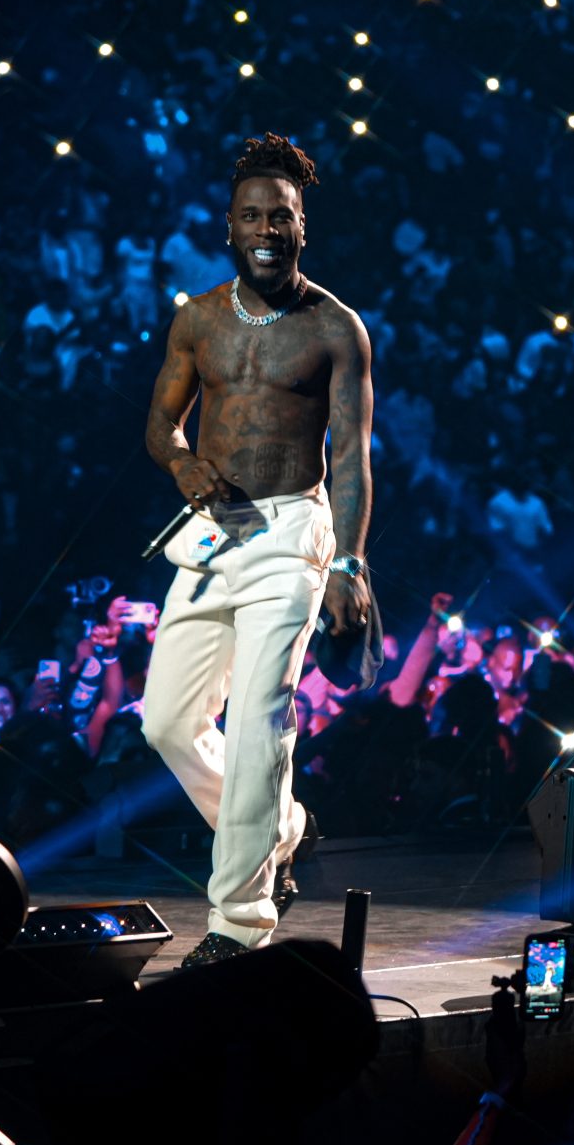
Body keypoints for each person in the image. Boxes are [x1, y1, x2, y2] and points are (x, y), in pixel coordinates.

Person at [140, 132, 374, 967]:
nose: (267, 227)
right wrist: (182, 462)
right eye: (252, 215)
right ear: (229, 228)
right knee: (166, 720)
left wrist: (350, 562)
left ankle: (238, 925)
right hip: (212, 533)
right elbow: (159, 426)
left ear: (303, 225)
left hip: (291, 534)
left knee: (257, 728)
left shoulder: (336, 328)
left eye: (283, 214)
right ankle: (285, 827)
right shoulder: (196, 319)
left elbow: (351, 457)